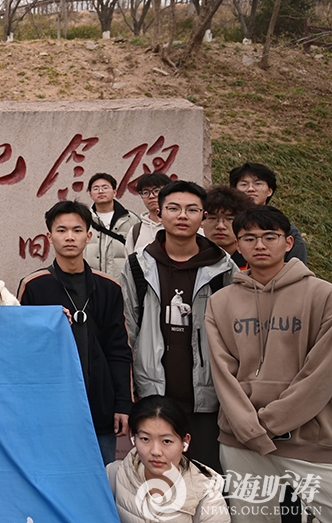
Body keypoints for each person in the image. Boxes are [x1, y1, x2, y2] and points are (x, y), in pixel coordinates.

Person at [206, 205, 332, 523]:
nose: (259, 245)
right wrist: (249, 429)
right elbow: (222, 373)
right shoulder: (220, 302)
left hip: (309, 440)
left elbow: (322, 373)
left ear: (288, 242)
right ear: (238, 244)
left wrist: (270, 424)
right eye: (249, 238)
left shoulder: (323, 295)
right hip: (241, 442)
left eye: (269, 237)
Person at [120, 181, 236, 472]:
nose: (182, 215)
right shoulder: (138, 265)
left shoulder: (223, 267)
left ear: (203, 216)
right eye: (173, 208)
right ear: (160, 213)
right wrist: (130, 389)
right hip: (155, 393)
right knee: (158, 479)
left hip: (208, 398)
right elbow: (128, 329)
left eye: (191, 209)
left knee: (207, 478)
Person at [18, 200, 132, 465]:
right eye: (61, 230)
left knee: (101, 477)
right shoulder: (34, 286)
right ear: (49, 237)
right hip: (49, 409)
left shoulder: (109, 288)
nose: (69, 237)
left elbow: (119, 350)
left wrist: (122, 403)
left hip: (99, 407)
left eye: (77, 230)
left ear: (88, 236)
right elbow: (23, 351)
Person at [106, 395, 229, 523]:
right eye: (145, 439)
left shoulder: (207, 497)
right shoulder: (114, 475)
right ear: (133, 437)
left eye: (166, 441)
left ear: (185, 442)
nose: (155, 451)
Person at [228, 162, 307, 264]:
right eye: (244, 184)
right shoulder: (224, 227)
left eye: (258, 184)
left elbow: (296, 267)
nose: (251, 189)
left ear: (270, 191)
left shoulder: (286, 230)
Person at [84, 172, 140, 282]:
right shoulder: (83, 219)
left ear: (114, 192)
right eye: (96, 188)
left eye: (105, 187)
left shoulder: (130, 219)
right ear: (90, 194)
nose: (101, 191)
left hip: (122, 282)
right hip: (90, 280)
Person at [201, 186, 252, 270]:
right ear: (201, 221)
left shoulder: (254, 262)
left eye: (229, 219)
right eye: (213, 218)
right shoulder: (190, 259)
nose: (220, 226)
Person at [125, 173, 171, 256]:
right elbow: (129, 261)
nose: (151, 196)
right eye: (146, 192)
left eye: (156, 191)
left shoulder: (179, 225)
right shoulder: (136, 230)